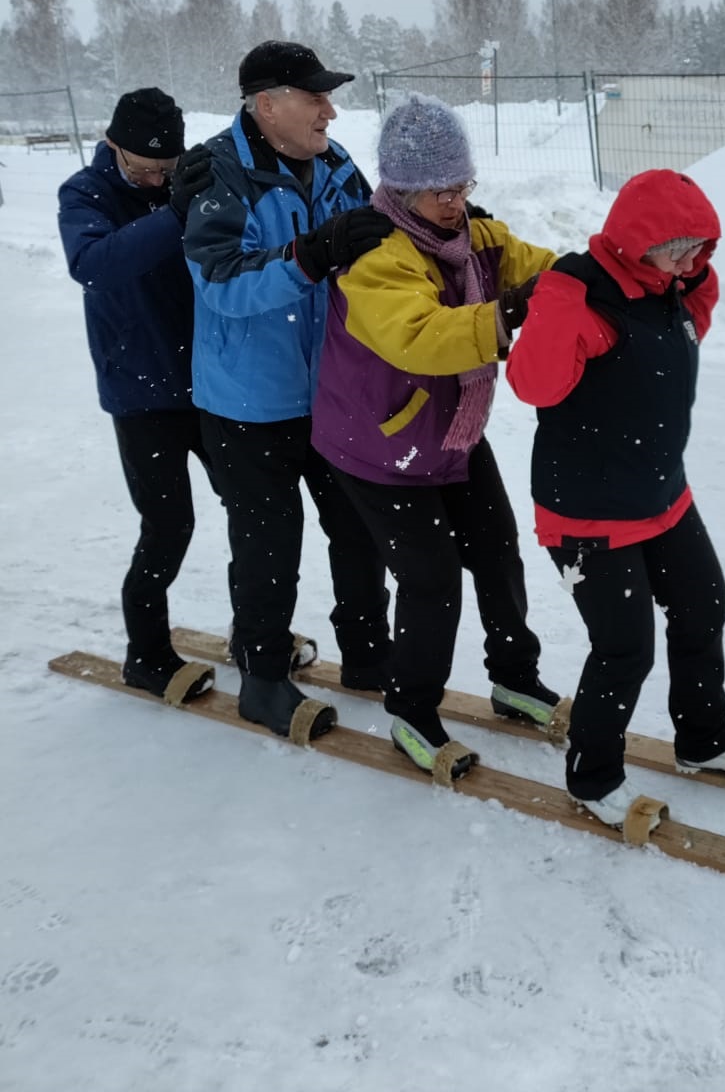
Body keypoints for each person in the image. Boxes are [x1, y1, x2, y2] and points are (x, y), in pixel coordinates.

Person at [506, 169, 725, 829]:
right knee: (624, 648)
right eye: (676, 246)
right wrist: (558, 298)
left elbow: (687, 312)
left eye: (700, 246)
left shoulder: (671, 291)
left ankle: (703, 741)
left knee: (701, 608)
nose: (691, 261)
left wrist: (688, 263)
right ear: (634, 242)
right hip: (587, 514)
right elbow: (533, 384)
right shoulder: (584, 300)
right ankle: (592, 776)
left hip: (661, 495)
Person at [311, 92, 561, 777]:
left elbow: (539, 266)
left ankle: (513, 678)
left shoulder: (472, 236)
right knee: (431, 578)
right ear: (399, 187)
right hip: (378, 447)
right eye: (437, 191)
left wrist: (584, 281)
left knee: (497, 549)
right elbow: (418, 338)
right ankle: (412, 712)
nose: (454, 202)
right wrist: (507, 312)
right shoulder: (375, 253)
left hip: (450, 431)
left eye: (461, 185)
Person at [184, 40, 393, 741]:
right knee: (269, 543)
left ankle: (368, 654)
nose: (330, 111)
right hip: (248, 403)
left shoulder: (334, 165)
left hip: (331, 392)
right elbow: (221, 285)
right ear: (266, 104)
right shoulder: (219, 172)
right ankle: (264, 678)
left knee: (359, 529)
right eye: (315, 97)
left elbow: (375, 243)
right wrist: (310, 254)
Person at [58, 87, 217, 703]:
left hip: (208, 386)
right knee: (168, 524)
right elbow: (93, 263)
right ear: (111, 143)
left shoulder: (188, 181)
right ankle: (145, 654)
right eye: (141, 168)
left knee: (254, 512)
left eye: (165, 170)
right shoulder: (85, 193)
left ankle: (258, 632)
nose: (153, 179)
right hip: (140, 392)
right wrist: (174, 213)